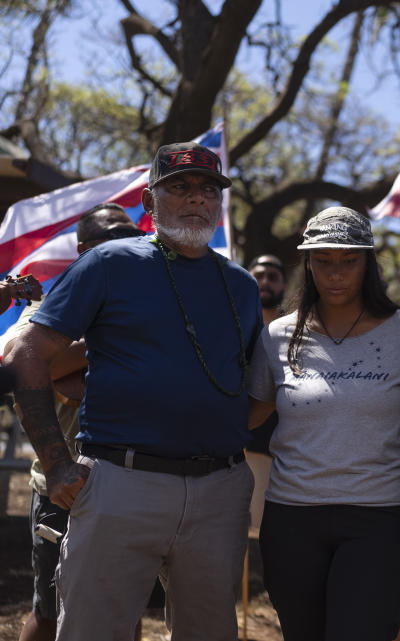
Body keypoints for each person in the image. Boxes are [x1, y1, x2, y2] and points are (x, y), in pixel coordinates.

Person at [7, 142, 262, 641]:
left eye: (208, 190)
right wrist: (56, 461)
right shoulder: (109, 263)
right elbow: (26, 354)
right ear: (149, 203)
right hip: (121, 483)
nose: (196, 200)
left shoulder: (243, 286)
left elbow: (250, 382)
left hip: (219, 491)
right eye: (179, 188)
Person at [247, 206, 400, 641]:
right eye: (323, 261)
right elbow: (248, 415)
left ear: (369, 263)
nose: (335, 273)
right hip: (291, 521)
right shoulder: (278, 336)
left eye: (349, 261)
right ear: (308, 264)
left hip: (379, 520)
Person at [10, 204, 146, 641]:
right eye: (112, 238)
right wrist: (107, 334)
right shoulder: (49, 310)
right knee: (50, 611)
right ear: (85, 250)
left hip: (138, 482)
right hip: (63, 486)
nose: (126, 245)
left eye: (132, 236)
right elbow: (27, 365)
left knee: (126, 609)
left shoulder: (150, 307)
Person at [245, 253, 287, 534]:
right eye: (258, 275)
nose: (265, 282)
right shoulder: (230, 325)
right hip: (235, 449)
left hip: (280, 453)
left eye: (273, 277)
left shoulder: (295, 331)